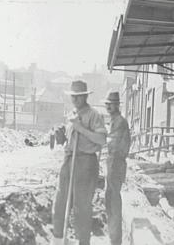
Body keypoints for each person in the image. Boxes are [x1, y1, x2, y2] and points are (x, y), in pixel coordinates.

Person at [52, 80, 107, 245]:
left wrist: (80, 127)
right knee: (60, 203)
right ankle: (58, 240)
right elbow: (69, 141)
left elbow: (102, 140)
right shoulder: (71, 114)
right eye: (72, 96)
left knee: (81, 207)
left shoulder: (94, 115)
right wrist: (60, 137)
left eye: (78, 96)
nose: (75, 99)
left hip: (86, 163)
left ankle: (83, 242)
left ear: (85, 96)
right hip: (69, 161)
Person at [104, 92, 131, 245]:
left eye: (111, 104)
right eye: (107, 104)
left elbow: (114, 144)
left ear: (117, 105)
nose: (108, 107)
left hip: (116, 163)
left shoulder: (120, 122)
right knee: (109, 200)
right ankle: (113, 238)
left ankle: (115, 241)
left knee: (113, 201)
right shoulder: (114, 121)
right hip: (112, 162)